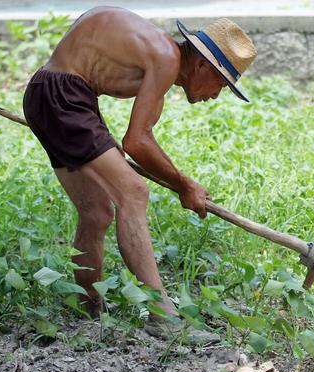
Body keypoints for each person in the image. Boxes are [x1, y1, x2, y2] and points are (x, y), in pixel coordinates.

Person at [22, 6, 257, 342]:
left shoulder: (161, 66)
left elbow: (142, 143)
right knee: (133, 193)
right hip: (63, 96)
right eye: (220, 83)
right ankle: (162, 316)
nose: (215, 95)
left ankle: (86, 305)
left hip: (55, 95)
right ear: (202, 65)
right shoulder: (164, 57)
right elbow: (135, 143)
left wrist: (183, 185)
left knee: (97, 211)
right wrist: (183, 184)